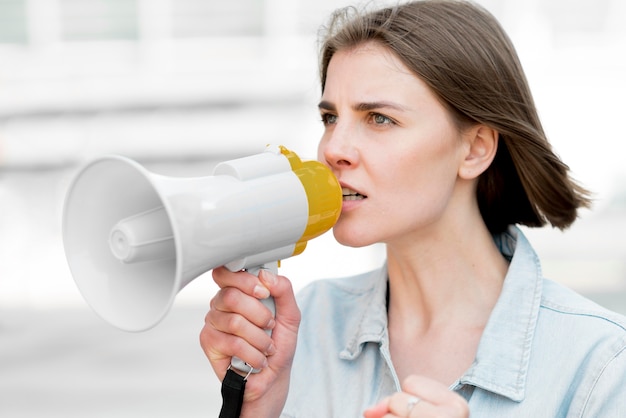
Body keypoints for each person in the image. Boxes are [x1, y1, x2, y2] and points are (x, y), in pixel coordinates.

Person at [200, 1, 626, 417]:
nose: (333, 149)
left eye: (379, 118)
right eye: (330, 118)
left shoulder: (600, 364)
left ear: (475, 149)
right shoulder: (300, 328)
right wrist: (255, 410)